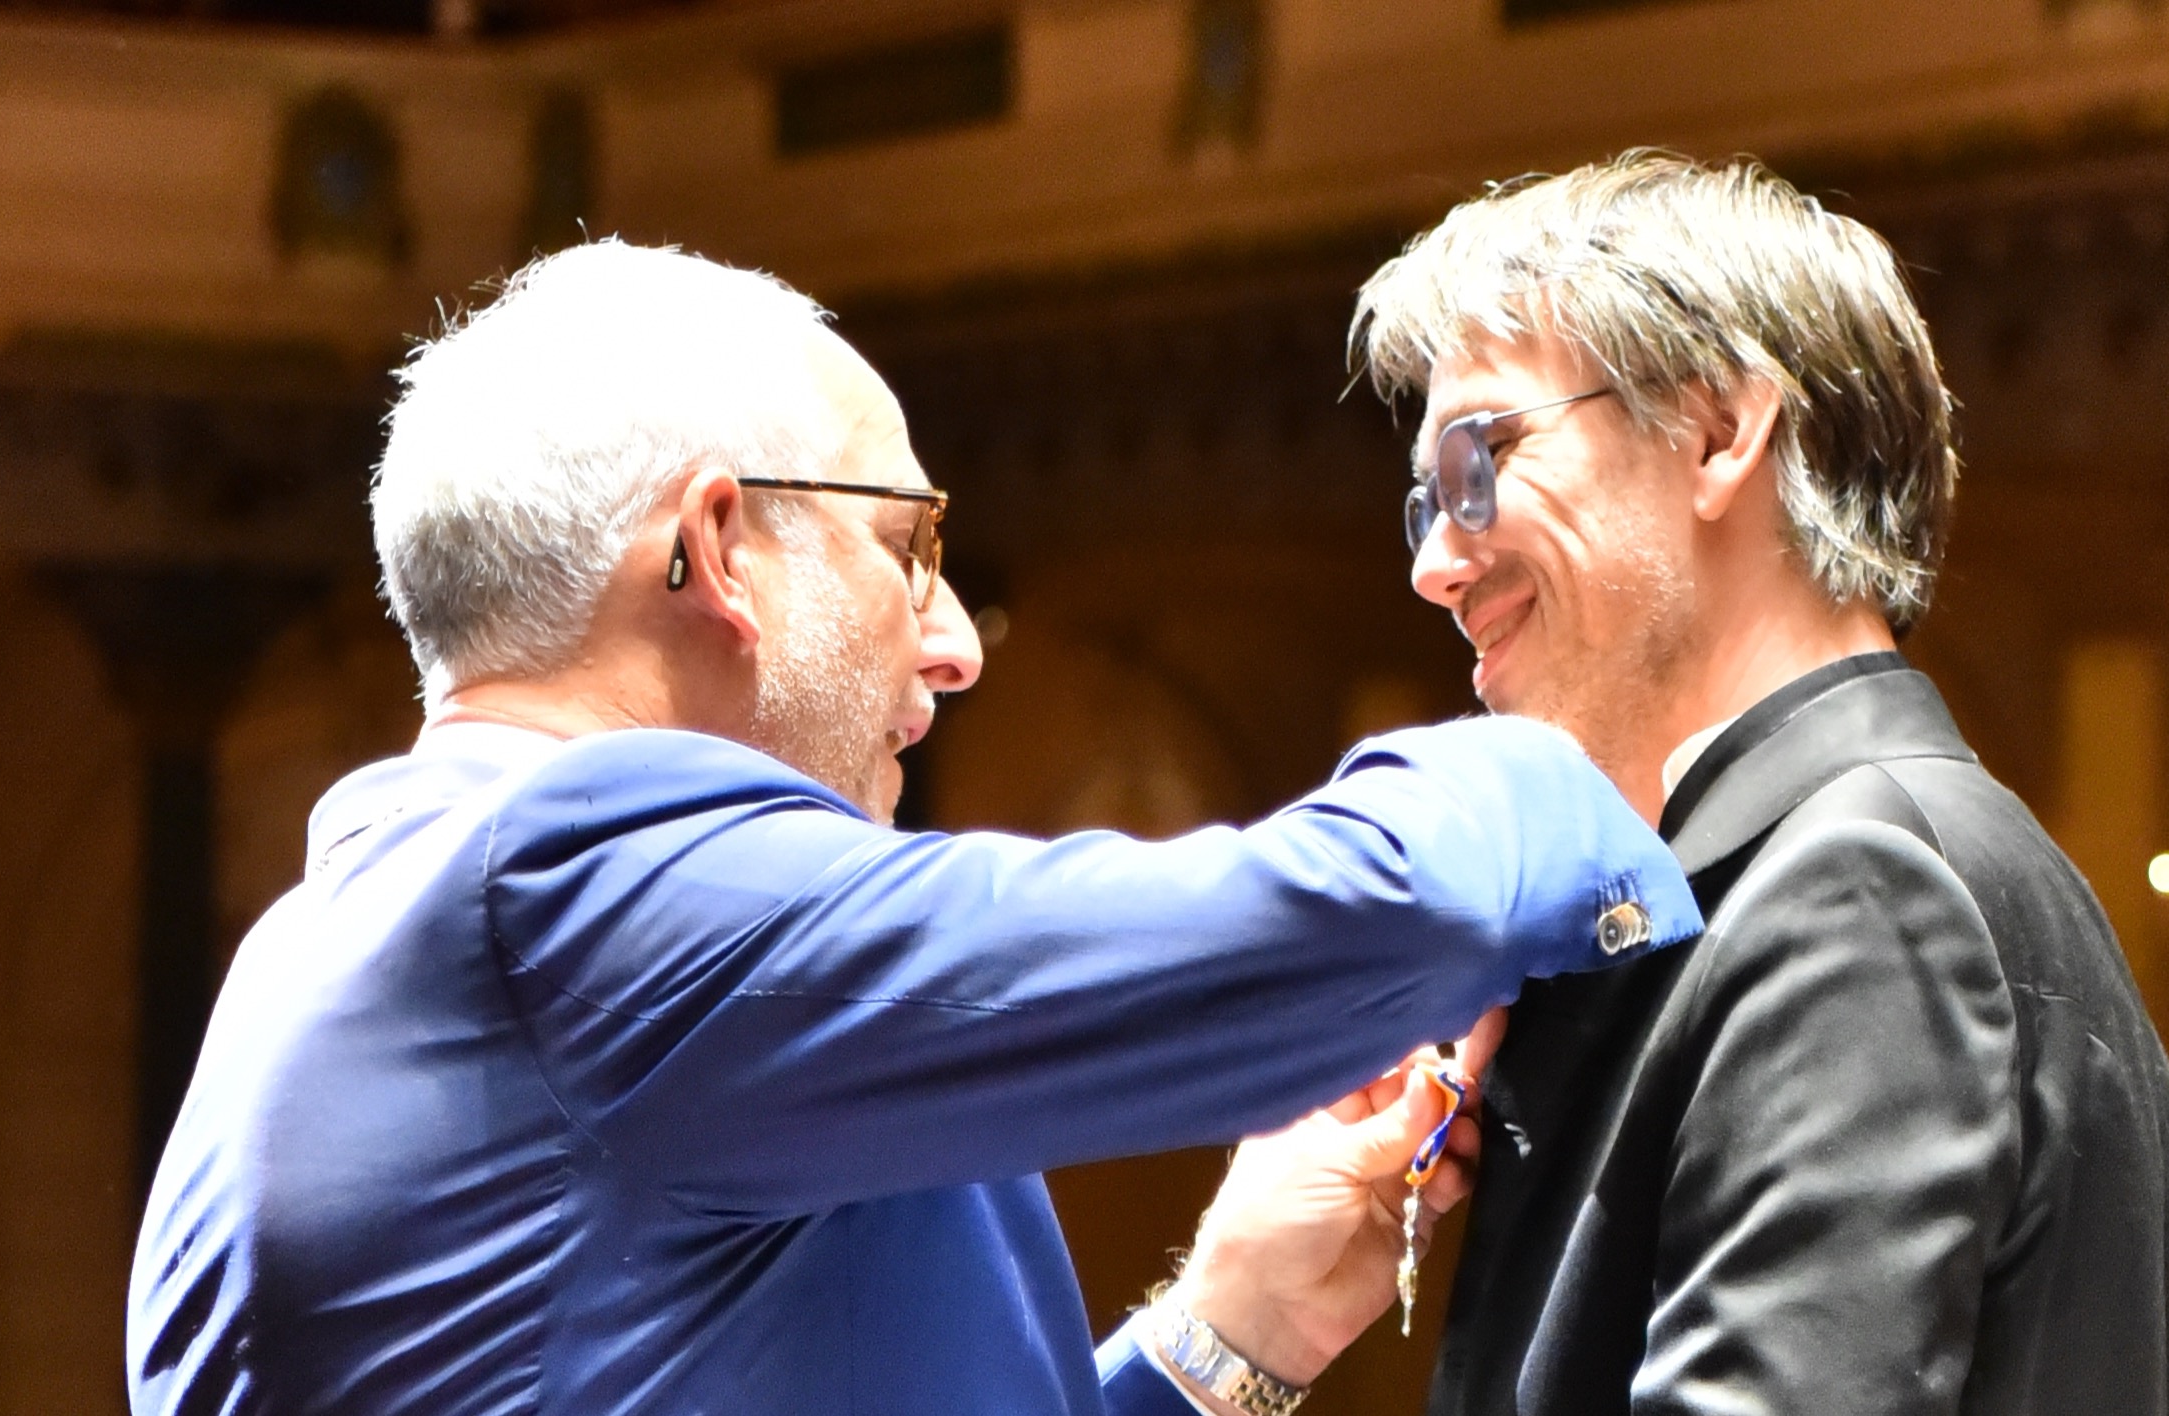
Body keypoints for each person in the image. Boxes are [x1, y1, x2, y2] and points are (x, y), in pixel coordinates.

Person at [125, 241, 1702, 1416]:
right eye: (910, 548)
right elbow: (1358, 915)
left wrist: (1233, 1332)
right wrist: (1633, 718)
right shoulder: (577, 891)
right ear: (714, 549)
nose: (952, 644)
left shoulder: (340, 941)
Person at [1350, 151, 2169, 1416]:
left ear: (1717, 432)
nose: (1434, 564)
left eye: (1482, 458)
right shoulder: (1813, 872)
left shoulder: (1856, 898)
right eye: (1425, 502)